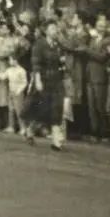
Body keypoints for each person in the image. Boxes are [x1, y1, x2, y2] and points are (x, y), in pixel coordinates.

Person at [25, 21, 71, 151]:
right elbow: (36, 64)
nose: (55, 30)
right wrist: (38, 81)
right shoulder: (39, 45)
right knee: (42, 109)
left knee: (57, 108)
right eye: (52, 28)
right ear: (46, 31)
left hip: (56, 81)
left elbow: (63, 60)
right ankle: (30, 129)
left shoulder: (58, 45)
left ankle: (56, 140)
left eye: (56, 28)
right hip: (43, 80)